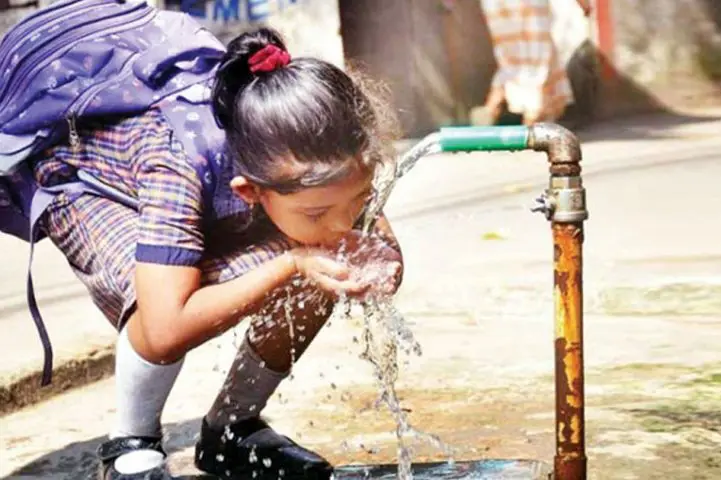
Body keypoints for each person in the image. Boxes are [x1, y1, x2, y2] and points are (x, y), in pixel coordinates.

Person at [32, 27, 403, 479]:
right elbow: (167, 327)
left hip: (213, 176)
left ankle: (232, 429)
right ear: (251, 192)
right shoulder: (173, 164)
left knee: (323, 259)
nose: (343, 224)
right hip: (87, 179)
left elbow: (374, 238)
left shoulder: (317, 154)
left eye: (360, 198)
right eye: (321, 211)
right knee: (159, 296)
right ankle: (131, 441)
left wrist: (376, 259)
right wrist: (290, 263)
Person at [471, 0, 591, 126]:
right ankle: (531, 126)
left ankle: (490, 110)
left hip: (496, 5)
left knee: (511, 60)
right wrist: (583, 4)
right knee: (538, 63)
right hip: (529, 7)